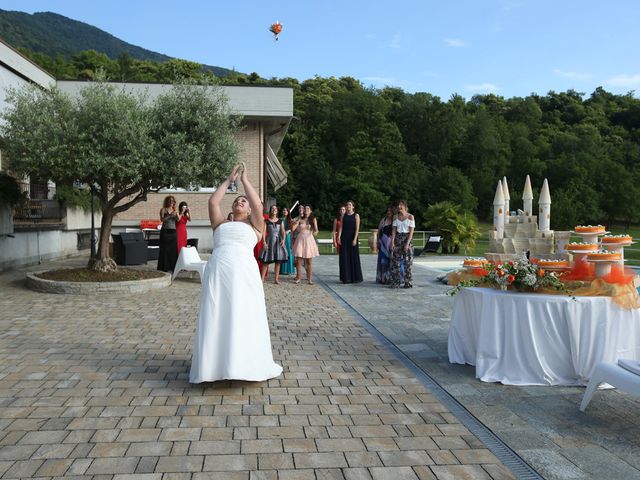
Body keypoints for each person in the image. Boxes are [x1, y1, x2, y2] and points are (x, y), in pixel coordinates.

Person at [190, 163, 282, 383]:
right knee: (217, 313)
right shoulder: (220, 224)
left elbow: (259, 205)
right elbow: (213, 201)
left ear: (249, 210)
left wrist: (244, 180)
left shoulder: (256, 227)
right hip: (218, 273)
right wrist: (229, 180)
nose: (240, 202)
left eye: (244, 201)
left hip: (243, 274)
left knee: (243, 314)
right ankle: (215, 366)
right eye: (236, 200)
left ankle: (244, 364)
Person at [259, 205, 288, 284]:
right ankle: (262, 278)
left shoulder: (280, 221)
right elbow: (264, 232)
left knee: (278, 261)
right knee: (266, 261)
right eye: (272, 208)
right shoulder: (266, 221)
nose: (274, 210)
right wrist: (264, 242)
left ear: (277, 211)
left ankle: (276, 279)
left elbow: (283, 232)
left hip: (278, 241)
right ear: (270, 210)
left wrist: (284, 240)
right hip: (269, 241)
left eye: (275, 208)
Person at [390, 200, 415, 288]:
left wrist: (407, 244)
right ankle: (396, 282)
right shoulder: (395, 217)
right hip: (397, 239)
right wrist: (392, 242)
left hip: (407, 239)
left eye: (401, 205)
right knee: (395, 262)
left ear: (405, 206)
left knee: (407, 263)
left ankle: (408, 282)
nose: (399, 207)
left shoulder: (410, 217)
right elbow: (393, 231)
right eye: (398, 205)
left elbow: (411, 232)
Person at [292, 204, 319, 284]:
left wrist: (314, 231)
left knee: (309, 261)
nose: (306, 210)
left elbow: (316, 231)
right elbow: (293, 228)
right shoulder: (300, 219)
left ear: (310, 210)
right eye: (305, 208)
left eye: (308, 208)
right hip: (300, 239)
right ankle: (299, 278)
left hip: (309, 239)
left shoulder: (313, 219)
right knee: (298, 260)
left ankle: (309, 279)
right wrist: (297, 220)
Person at [338, 200, 363, 283]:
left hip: (352, 236)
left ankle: (354, 277)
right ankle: (346, 277)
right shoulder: (343, 215)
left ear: (353, 207)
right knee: (344, 256)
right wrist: (339, 237)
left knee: (353, 256)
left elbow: (357, 228)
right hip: (344, 236)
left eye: (350, 205)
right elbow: (341, 227)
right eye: (347, 205)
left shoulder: (356, 216)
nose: (348, 206)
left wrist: (355, 239)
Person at [157, 195, 178, 272]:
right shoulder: (163, 210)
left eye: (173, 201)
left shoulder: (175, 210)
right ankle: (164, 267)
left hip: (173, 232)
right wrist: (169, 215)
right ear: (167, 201)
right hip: (165, 231)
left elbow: (178, 220)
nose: (171, 202)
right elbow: (162, 220)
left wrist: (178, 214)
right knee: (165, 249)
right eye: (170, 201)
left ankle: (172, 267)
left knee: (173, 250)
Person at [376, 206, 395, 284]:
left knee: (391, 261)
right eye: (387, 211)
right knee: (383, 261)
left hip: (391, 244)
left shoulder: (395, 221)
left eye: (390, 211)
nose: (389, 212)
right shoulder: (383, 220)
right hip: (383, 244)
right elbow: (379, 231)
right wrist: (377, 241)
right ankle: (383, 278)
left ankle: (391, 278)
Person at [279, 207, 295, 275]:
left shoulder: (290, 220)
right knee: (281, 253)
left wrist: (288, 231)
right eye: (284, 210)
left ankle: (290, 270)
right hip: (281, 237)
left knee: (289, 252)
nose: (285, 211)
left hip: (288, 238)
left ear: (288, 212)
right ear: (282, 212)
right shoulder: (279, 219)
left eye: (286, 210)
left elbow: (292, 230)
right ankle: (282, 270)